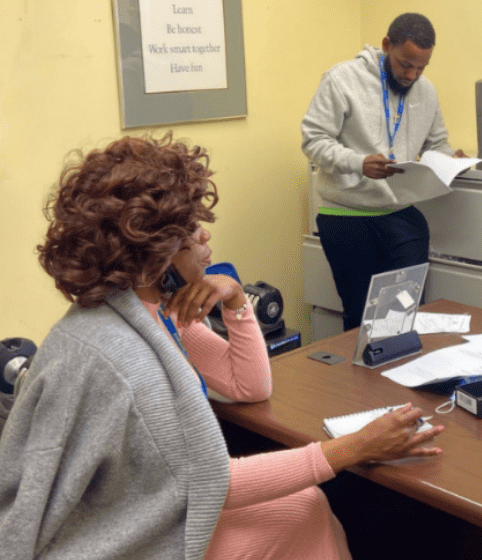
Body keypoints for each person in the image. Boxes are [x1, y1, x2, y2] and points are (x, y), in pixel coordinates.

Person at [0, 133, 443, 559]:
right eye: (191, 229)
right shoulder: (130, 361)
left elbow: (249, 386)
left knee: (307, 506)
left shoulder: (145, 313)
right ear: (154, 249)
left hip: (125, 514)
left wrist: (235, 300)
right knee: (312, 510)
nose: (205, 237)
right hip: (124, 540)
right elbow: (209, 482)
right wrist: (353, 448)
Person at [301, 12, 465, 331]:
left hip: (400, 214)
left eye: (421, 67)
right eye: (405, 64)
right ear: (387, 45)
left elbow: (436, 144)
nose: (412, 75)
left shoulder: (426, 91)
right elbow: (313, 140)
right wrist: (358, 163)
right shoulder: (341, 79)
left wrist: (452, 158)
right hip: (346, 215)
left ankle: (400, 362)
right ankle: (360, 365)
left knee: (400, 319)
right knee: (362, 321)